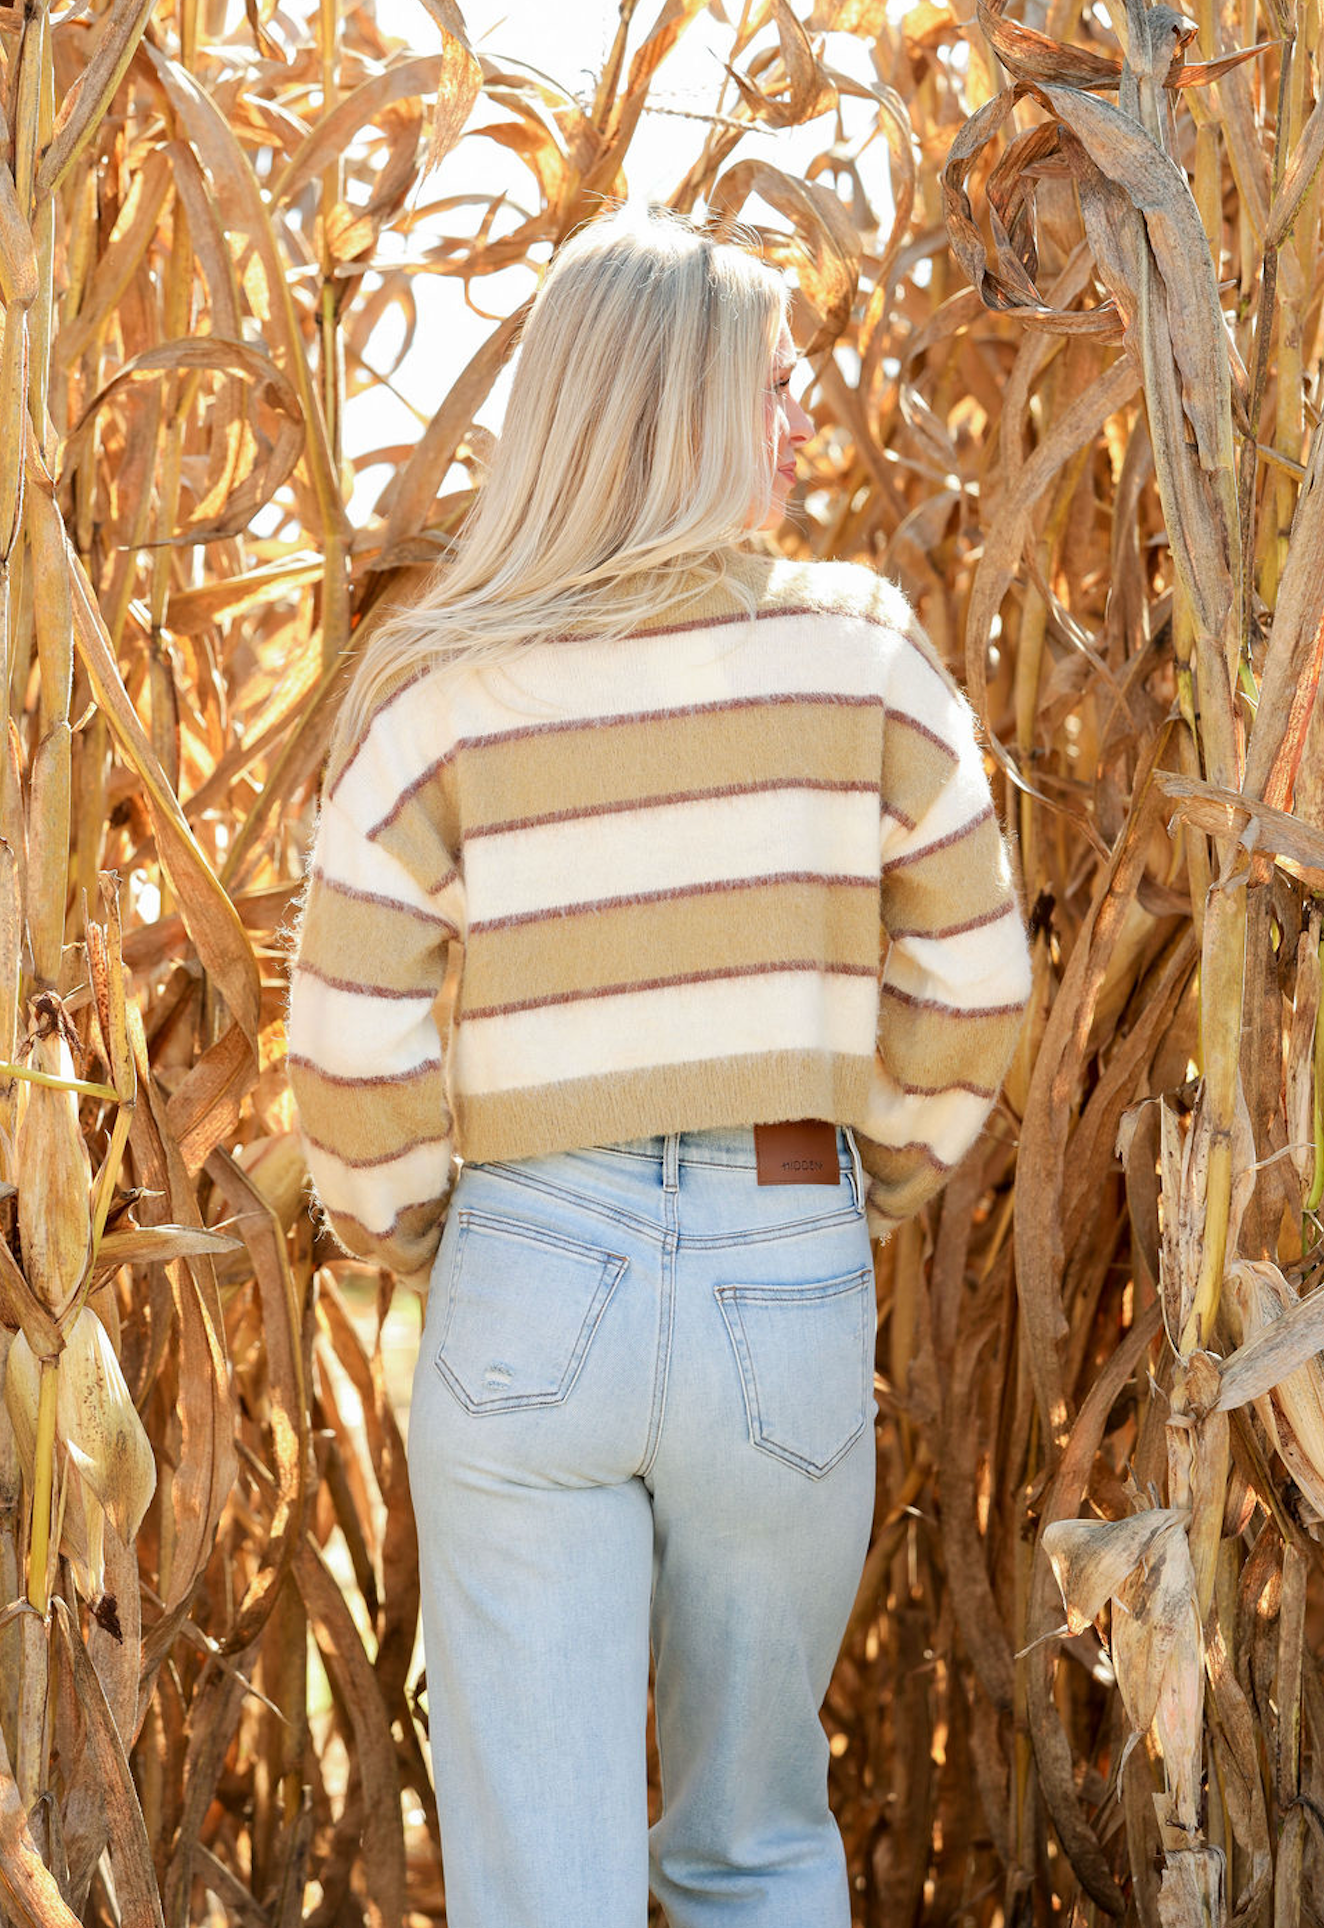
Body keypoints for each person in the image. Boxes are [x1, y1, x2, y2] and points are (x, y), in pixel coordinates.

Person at [287, 206, 1030, 1928]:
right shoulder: (863, 657)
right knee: (755, 1846)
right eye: (773, 382)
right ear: (680, 411)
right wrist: (877, 1182)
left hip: (532, 1267)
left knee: (539, 1890)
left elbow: (345, 1033)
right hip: (788, 1261)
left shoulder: (449, 694)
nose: (801, 418)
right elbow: (975, 981)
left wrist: (428, 1233)